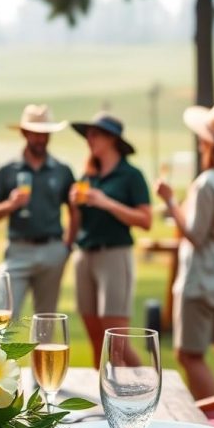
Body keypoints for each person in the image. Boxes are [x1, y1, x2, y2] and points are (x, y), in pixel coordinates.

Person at [69, 113, 152, 366]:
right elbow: (77, 223)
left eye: (95, 134)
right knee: (96, 340)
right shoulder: (87, 177)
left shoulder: (131, 175)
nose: (89, 139)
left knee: (117, 342)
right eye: (88, 135)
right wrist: (73, 205)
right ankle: (102, 395)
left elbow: (145, 220)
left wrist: (106, 202)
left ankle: (148, 388)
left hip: (115, 256)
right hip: (85, 256)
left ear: (112, 139)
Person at [156, 104, 214, 400]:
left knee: (189, 355)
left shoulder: (209, 181)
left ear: (210, 143)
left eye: (202, 138)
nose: (199, 143)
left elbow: (196, 234)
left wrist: (171, 201)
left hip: (201, 280)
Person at [0, 103, 78, 322]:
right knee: (0, 319)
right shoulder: (8, 169)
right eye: (35, 134)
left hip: (53, 251)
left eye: (45, 134)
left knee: (46, 323)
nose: (40, 139)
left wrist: (67, 246)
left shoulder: (62, 170)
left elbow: (75, 209)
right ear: (24, 133)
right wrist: (10, 204)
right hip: (18, 251)